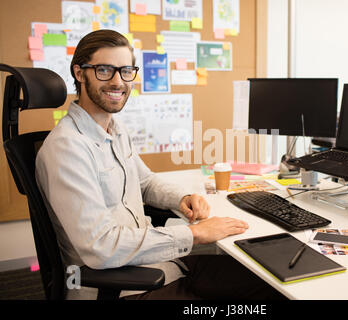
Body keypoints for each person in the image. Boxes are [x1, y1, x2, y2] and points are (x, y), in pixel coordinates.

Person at [35, 29, 285, 300]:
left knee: (269, 279)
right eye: (105, 70)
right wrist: (194, 234)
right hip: (119, 286)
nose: (118, 82)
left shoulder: (114, 130)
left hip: (154, 265)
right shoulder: (67, 147)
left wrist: (183, 198)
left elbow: (144, 182)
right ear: (80, 73)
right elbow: (101, 247)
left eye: (126, 70)